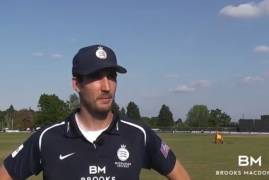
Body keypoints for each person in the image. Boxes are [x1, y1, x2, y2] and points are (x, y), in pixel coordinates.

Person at [0, 44, 191, 180]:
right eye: (96, 77)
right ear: (77, 84)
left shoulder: (138, 134)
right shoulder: (47, 138)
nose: (107, 86)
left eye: (111, 76)